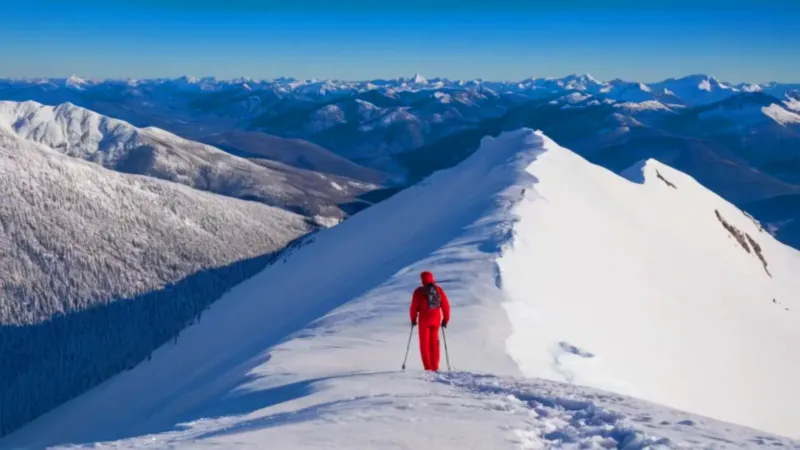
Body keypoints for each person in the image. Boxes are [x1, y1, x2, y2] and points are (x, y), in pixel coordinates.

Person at [409, 271, 450, 371]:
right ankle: (435, 367)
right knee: (434, 344)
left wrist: (413, 319)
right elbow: (445, 305)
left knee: (424, 344)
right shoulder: (438, 290)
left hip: (424, 320)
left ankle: (428, 368)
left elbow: (413, 307)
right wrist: (446, 319)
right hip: (436, 319)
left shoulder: (419, 291)